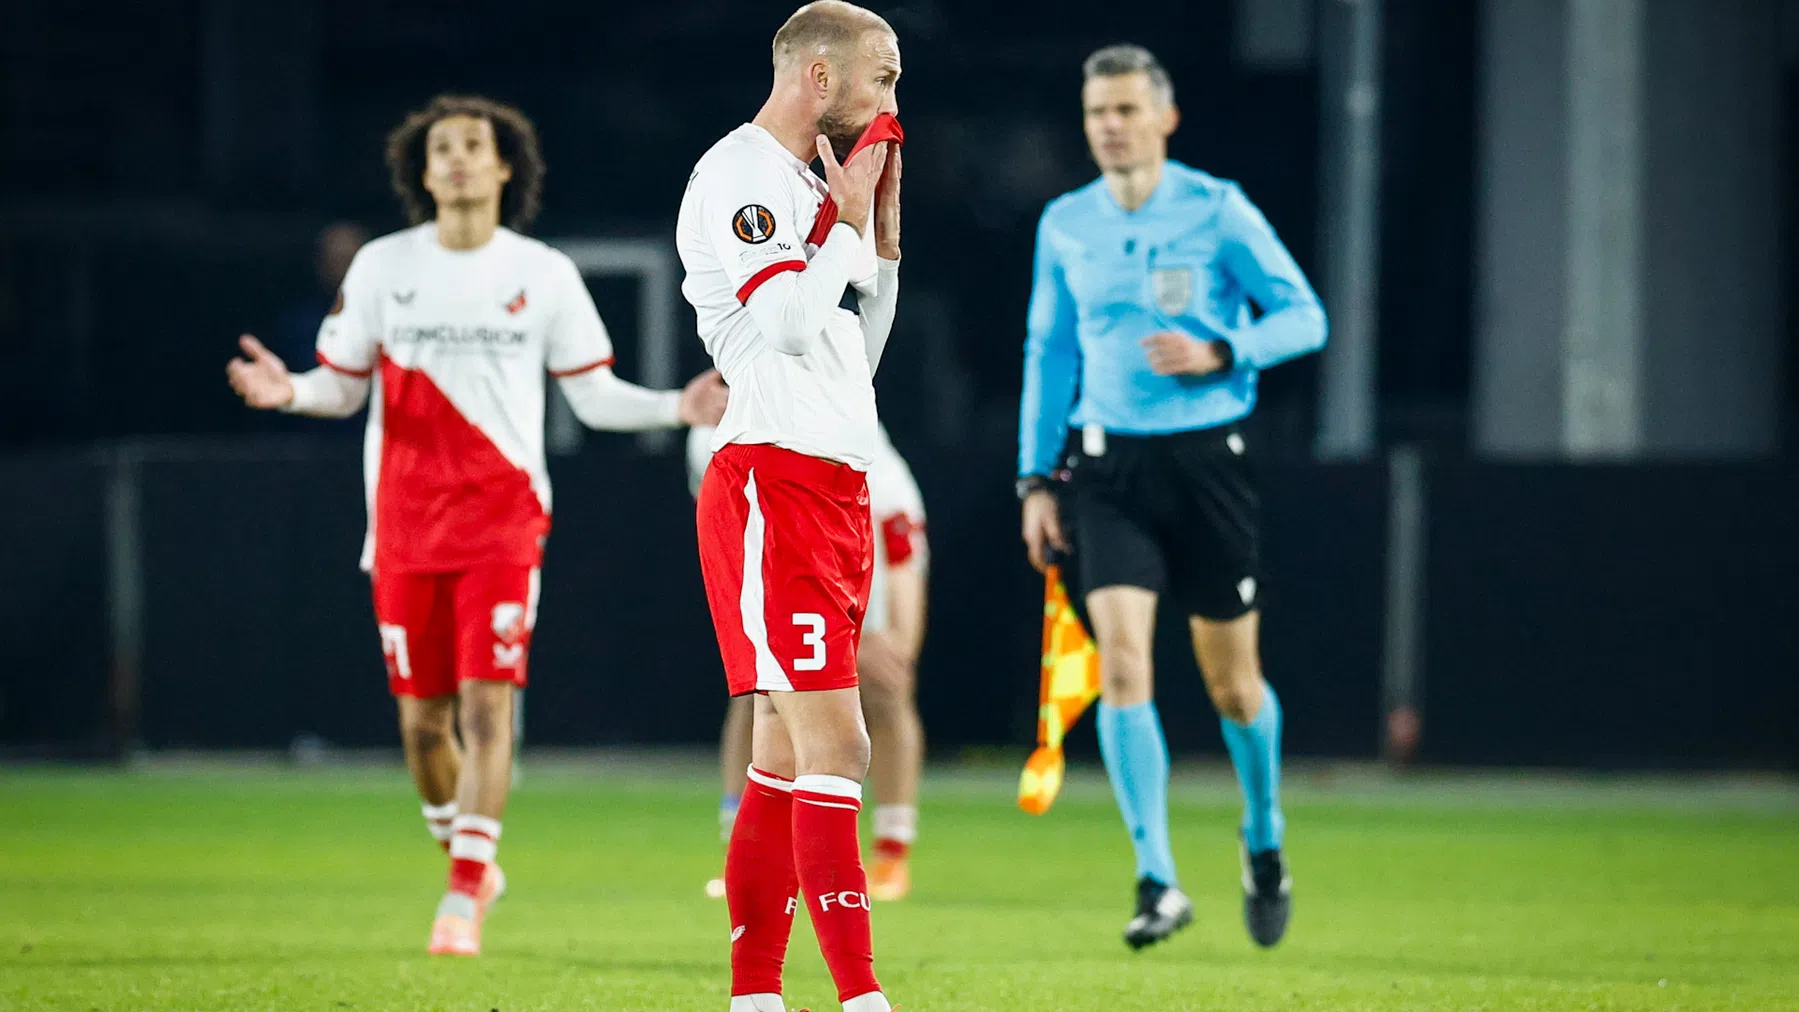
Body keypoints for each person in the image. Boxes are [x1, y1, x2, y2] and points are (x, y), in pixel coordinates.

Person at [225, 94, 728, 957]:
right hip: (404, 527)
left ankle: (463, 894)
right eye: (442, 148)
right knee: (423, 725)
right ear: (422, 172)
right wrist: (293, 391)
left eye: (474, 147)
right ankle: (463, 847)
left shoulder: (543, 274)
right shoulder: (383, 267)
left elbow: (592, 395)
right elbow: (340, 384)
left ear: (504, 168)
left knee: (489, 710)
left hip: (504, 520)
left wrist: (673, 405)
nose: (458, 159)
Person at [1016, 44, 1328, 951]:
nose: (1107, 126)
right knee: (1120, 663)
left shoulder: (1216, 209)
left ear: (1163, 117)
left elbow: (1304, 315)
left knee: (1232, 689)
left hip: (1207, 465)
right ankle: (1157, 876)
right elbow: (1049, 355)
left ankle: (1262, 832)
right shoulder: (1065, 222)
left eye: (1122, 109)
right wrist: (1036, 478)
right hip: (1107, 471)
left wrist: (1225, 351)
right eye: (1094, 114)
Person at [674, 2, 903, 1009]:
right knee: (838, 743)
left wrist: (879, 250)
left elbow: (852, 357)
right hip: (773, 480)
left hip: (831, 480)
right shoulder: (739, 177)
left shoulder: (813, 183)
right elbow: (780, 319)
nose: (890, 100)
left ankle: (755, 995)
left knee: (780, 751)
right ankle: (860, 997)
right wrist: (844, 233)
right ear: (818, 77)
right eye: (881, 77)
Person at [690, 422, 928, 903]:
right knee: (758, 689)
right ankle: (743, 849)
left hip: (862, 546)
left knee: (887, 685)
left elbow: (899, 564)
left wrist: (876, 638)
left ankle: (891, 853)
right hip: (777, 541)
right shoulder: (714, 436)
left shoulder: (879, 473)